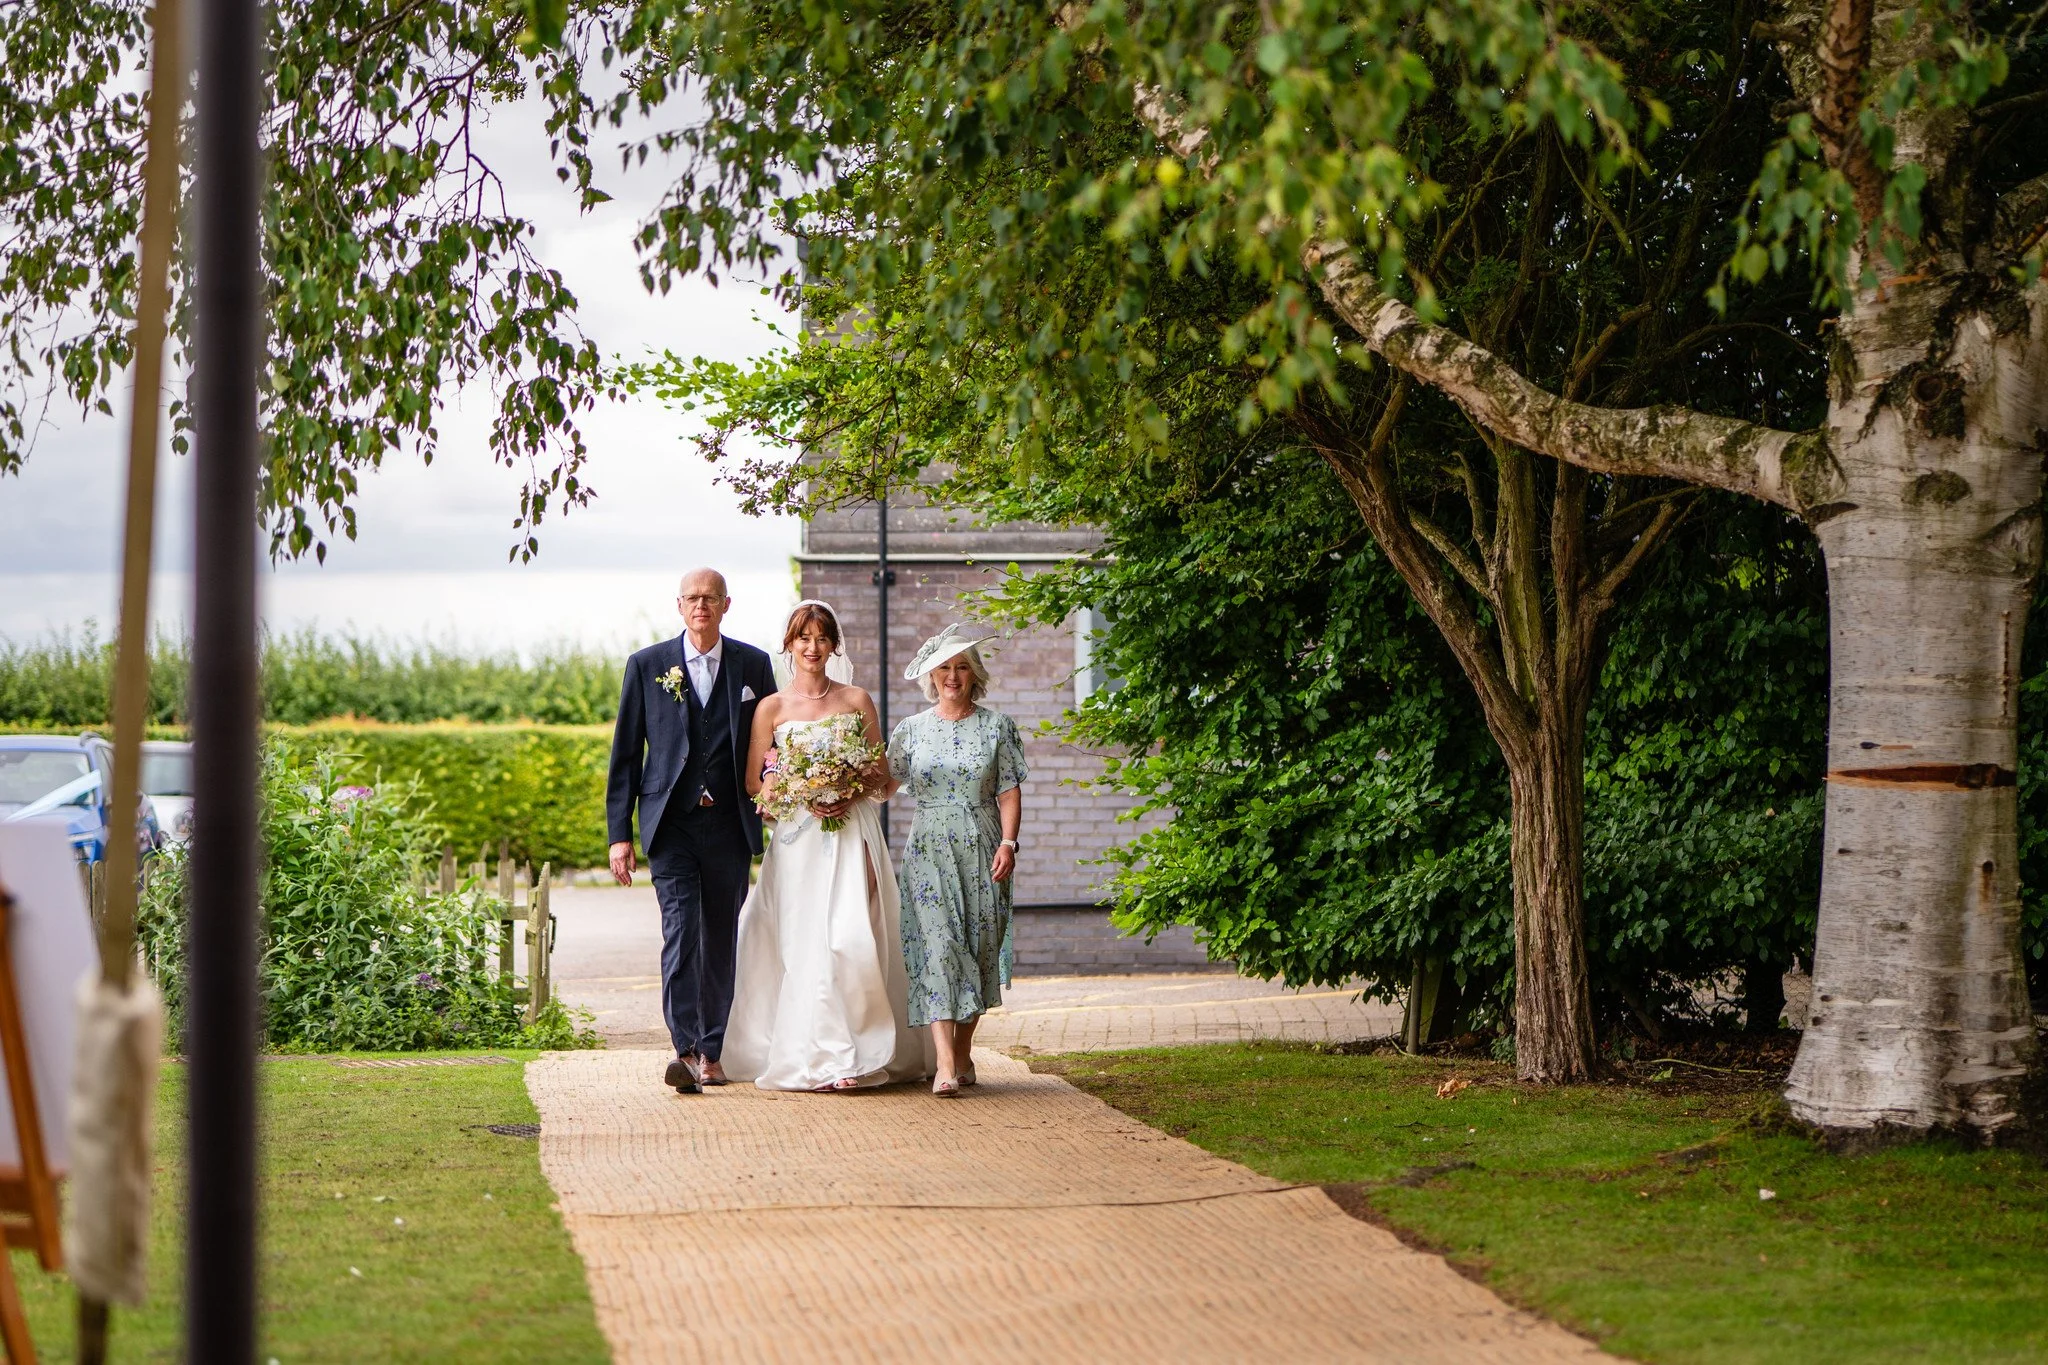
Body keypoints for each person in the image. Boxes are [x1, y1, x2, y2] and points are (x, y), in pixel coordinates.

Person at [720, 601, 928, 1091]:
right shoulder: (771, 709)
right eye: (803, 639)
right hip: (799, 842)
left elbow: (884, 778)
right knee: (805, 944)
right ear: (789, 645)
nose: (812, 648)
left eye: (821, 638)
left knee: (851, 938)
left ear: (834, 644)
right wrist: (800, 793)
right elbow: (755, 782)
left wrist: (845, 791)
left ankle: (855, 1053)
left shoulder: (856, 700)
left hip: (852, 833)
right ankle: (824, 1056)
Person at [605, 568, 778, 1095]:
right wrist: (620, 834)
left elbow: (773, 746)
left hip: (729, 822)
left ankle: (713, 1049)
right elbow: (626, 753)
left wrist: (778, 793)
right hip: (671, 824)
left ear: (726, 605)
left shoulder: (754, 664)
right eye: (692, 598)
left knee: (720, 937)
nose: (701, 606)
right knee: (681, 934)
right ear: (679, 606)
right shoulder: (647, 665)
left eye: (711, 598)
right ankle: (684, 1049)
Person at [888, 624, 1026, 1098]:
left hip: (983, 846)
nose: (952, 675)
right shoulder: (910, 731)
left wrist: (1008, 843)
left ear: (974, 675)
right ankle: (945, 1063)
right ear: (931, 675)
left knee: (980, 947)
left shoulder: (997, 726)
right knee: (939, 946)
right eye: (944, 667)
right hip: (927, 849)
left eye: (961, 666)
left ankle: (964, 1049)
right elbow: (883, 786)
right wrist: (833, 782)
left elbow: (1008, 790)